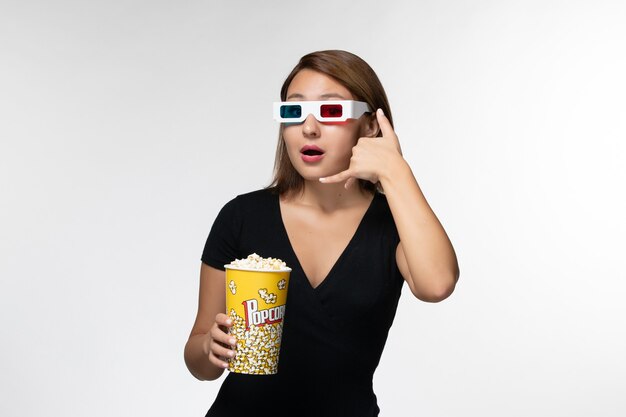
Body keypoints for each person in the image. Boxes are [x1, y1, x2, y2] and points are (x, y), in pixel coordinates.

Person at [184, 50, 460, 417]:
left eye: (331, 112)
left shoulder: (395, 224)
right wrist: (209, 350)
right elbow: (199, 360)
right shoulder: (241, 216)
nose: (309, 128)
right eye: (293, 112)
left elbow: (436, 285)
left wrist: (396, 171)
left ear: (370, 125)